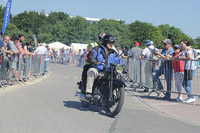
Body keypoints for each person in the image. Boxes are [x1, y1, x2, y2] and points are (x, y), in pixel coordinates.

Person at [84, 34, 125, 99]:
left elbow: (119, 60)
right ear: (105, 42)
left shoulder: (114, 53)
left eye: (112, 43)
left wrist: (123, 67)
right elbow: (91, 55)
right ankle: (88, 92)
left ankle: (112, 95)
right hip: (98, 70)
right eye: (110, 43)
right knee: (91, 71)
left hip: (108, 71)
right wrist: (93, 60)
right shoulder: (97, 49)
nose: (112, 44)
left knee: (116, 77)